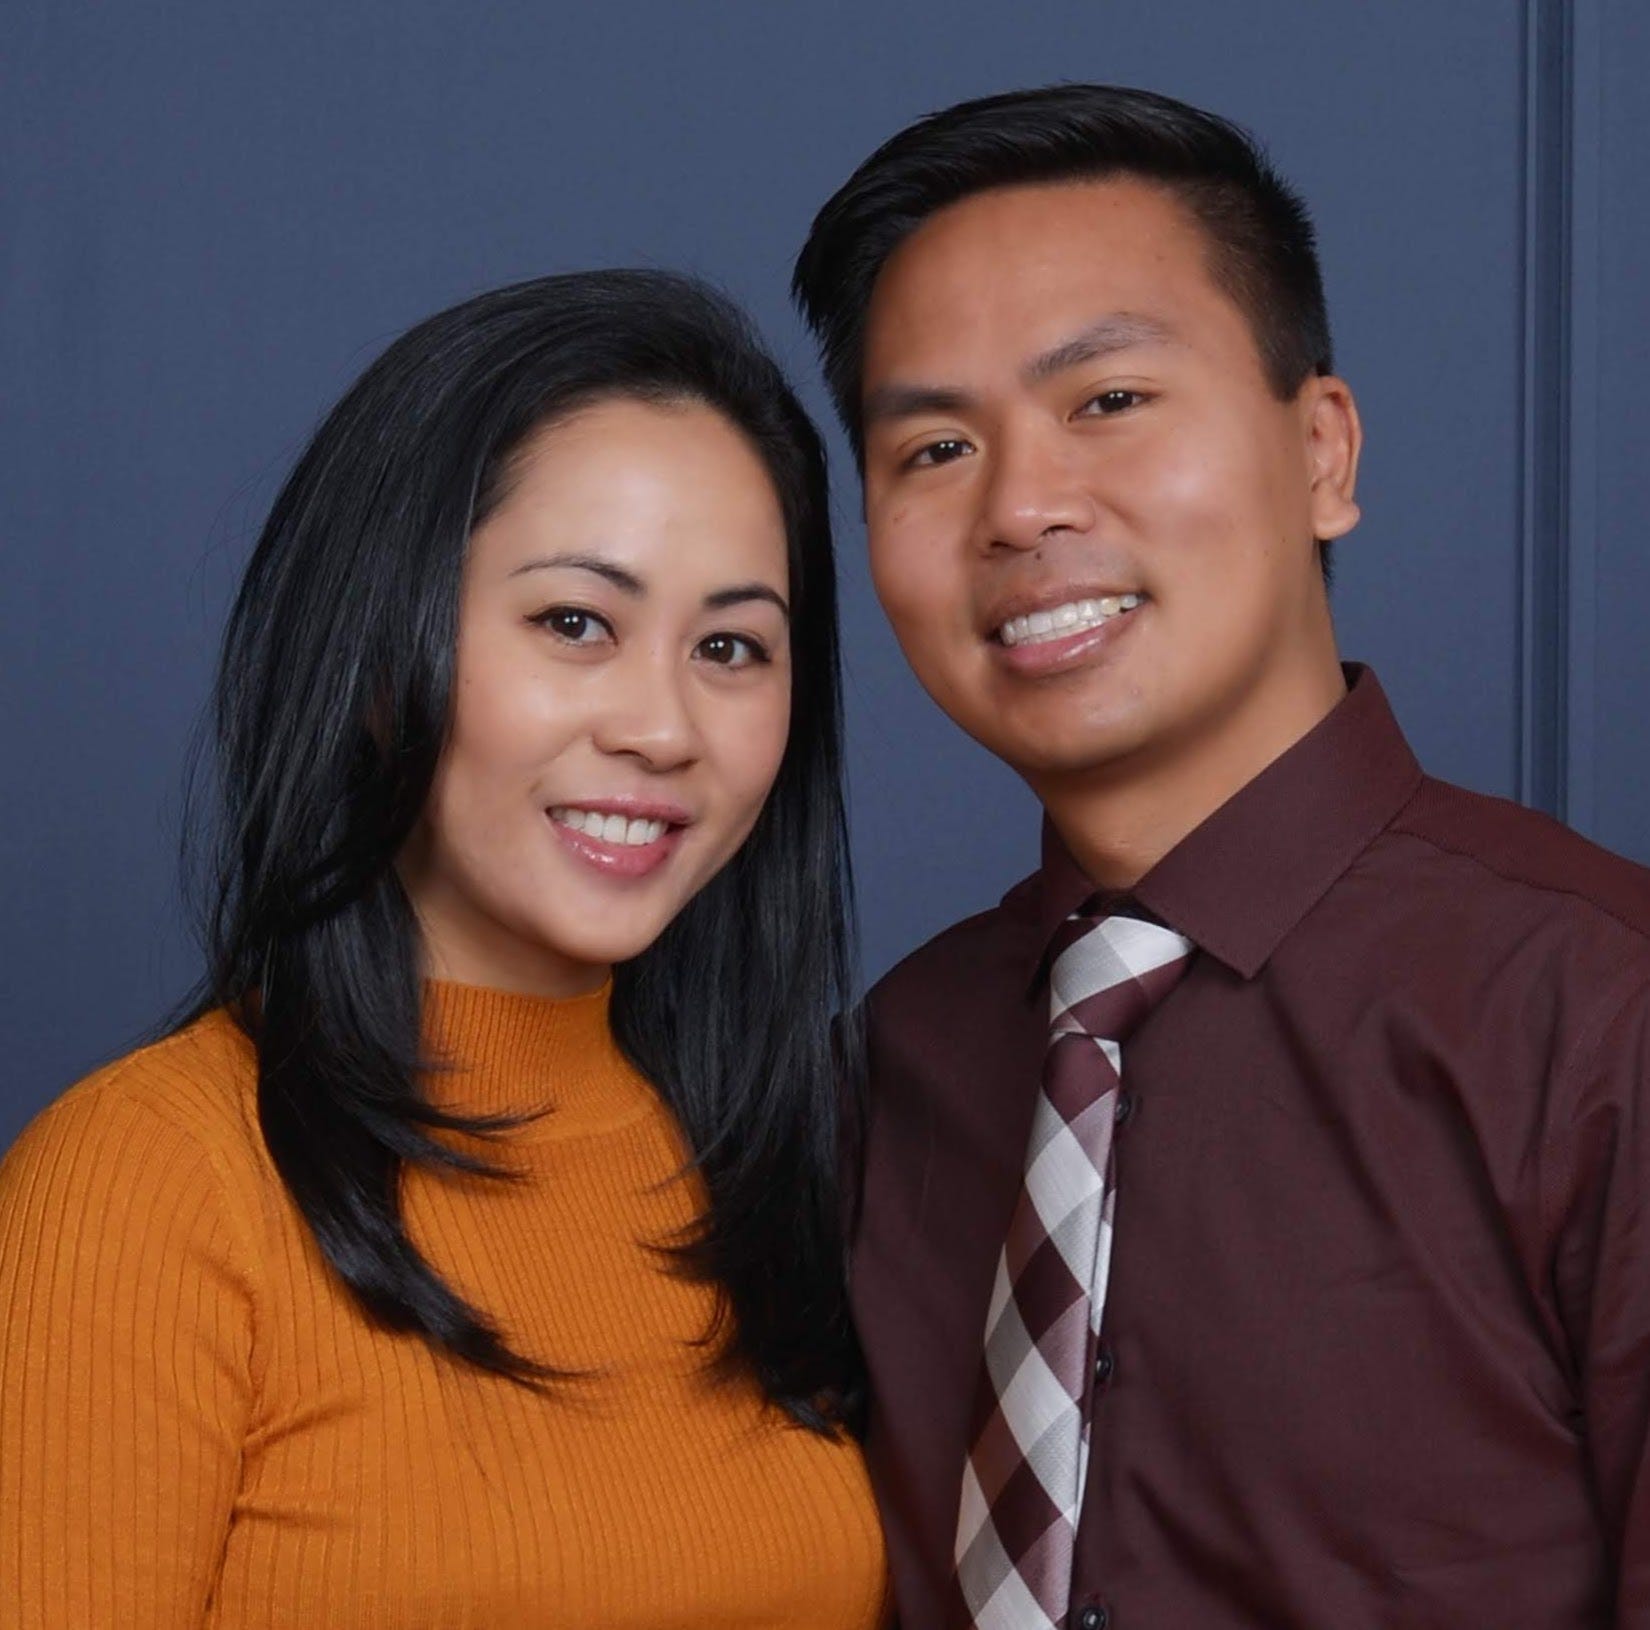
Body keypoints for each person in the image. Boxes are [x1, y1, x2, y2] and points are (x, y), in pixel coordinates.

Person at [792, 83, 1650, 1630]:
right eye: (931, 445)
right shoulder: (892, 1069)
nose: (1021, 505)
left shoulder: (1599, 1010)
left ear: (1320, 450)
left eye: (1106, 399)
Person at [0, 270, 888, 1628]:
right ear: (377, 658)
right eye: (574, 623)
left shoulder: (785, 1157)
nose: (663, 725)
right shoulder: (149, 1179)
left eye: (730, 645)